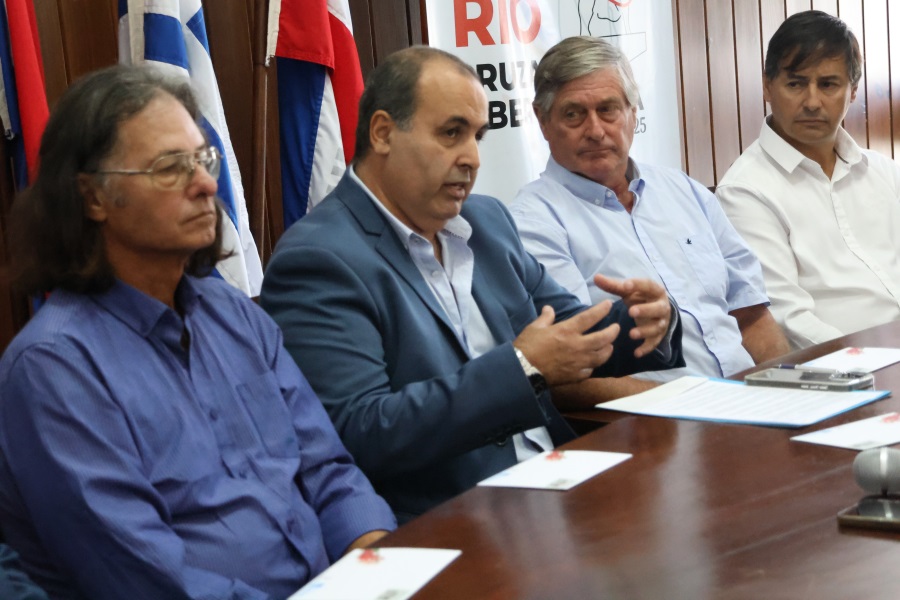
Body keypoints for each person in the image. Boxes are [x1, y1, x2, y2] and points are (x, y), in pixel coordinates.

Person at [0, 65, 395, 600]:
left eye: (203, 159)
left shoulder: (233, 313)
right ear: (92, 197)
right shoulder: (53, 368)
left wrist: (380, 564)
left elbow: (327, 468)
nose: (208, 183)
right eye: (170, 168)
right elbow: (142, 576)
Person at [261, 46, 684, 523]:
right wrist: (524, 368)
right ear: (382, 133)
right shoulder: (320, 258)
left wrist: (650, 322)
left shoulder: (486, 221)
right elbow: (361, 431)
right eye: (451, 133)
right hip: (452, 517)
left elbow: (569, 331)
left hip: (565, 486)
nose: (472, 158)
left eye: (477, 136)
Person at [510, 36, 789, 404]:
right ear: (543, 121)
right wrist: (699, 405)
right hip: (653, 426)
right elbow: (565, 375)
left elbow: (751, 314)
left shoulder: (683, 190)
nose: (595, 130)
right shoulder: (532, 222)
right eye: (573, 114)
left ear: (633, 112)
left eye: (608, 109)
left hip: (749, 407)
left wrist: (789, 391)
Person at [716, 10, 900, 348]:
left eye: (828, 84)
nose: (812, 102)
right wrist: (875, 356)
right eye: (796, 83)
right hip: (843, 369)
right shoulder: (745, 192)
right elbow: (787, 321)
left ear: (853, 91)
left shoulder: (884, 172)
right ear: (768, 87)